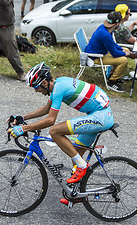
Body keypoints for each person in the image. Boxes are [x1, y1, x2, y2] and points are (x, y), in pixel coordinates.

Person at [7, 62, 114, 205]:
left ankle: (82, 167)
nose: (36, 90)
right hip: (99, 113)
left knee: (55, 131)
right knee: (75, 153)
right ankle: (77, 193)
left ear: (44, 82)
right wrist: (22, 118)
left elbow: (51, 120)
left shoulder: (59, 89)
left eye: (36, 87)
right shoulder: (58, 84)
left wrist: (24, 129)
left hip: (101, 116)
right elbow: (46, 109)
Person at [85, 11, 137, 93]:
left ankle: (113, 75)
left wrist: (123, 50)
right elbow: (115, 53)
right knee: (123, 60)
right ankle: (112, 81)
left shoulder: (104, 28)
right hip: (95, 57)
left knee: (125, 50)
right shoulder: (105, 34)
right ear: (117, 24)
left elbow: (112, 44)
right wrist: (128, 54)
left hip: (99, 53)